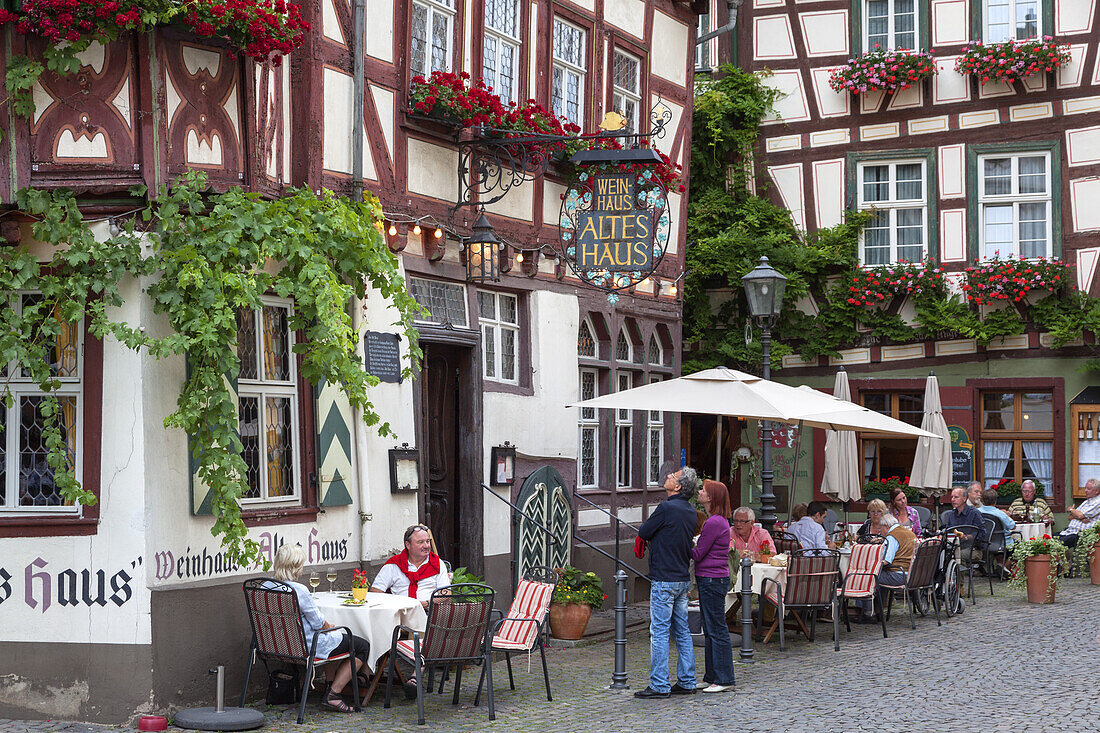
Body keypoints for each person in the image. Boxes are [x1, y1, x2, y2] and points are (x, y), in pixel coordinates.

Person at [269, 544, 368, 713]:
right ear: (295, 566)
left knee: (336, 638)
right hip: (307, 646)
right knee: (361, 646)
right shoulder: (298, 590)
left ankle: (330, 684)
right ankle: (334, 694)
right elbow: (318, 623)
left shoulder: (267, 587)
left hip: (278, 646)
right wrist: (329, 626)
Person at [635, 467, 700, 699]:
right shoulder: (691, 511)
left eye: (673, 476)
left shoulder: (666, 508)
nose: (668, 477)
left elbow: (644, 530)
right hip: (682, 578)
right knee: (682, 631)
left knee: (660, 632)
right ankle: (687, 680)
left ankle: (660, 684)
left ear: (679, 486)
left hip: (664, 577)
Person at [691, 479, 735, 694]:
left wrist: (684, 543)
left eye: (703, 490)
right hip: (712, 578)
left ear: (711, 498)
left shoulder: (714, 522)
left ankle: (724, 678)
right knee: (710, 629)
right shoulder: (716, 521)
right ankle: (712, 676)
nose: (699, 491)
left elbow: (699, 554)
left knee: (716, 629)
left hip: (711, 579)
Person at [371, 524, 451, 608]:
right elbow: (375, 591)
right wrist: (394, 605)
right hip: (400, 615)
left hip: (429, 614)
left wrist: (426, 603)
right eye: (420, 542)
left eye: (427, 541)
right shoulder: (393, 564)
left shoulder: (437, 563)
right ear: (408, 545)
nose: (426, 546)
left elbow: (446, 593)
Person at [855, 513, 916, 623]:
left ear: (886, 526)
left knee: (868, 577)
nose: (879, 533)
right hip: (912, 575)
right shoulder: (909, 533)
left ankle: (867, 612)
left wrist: (872, 563)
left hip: (899, 575)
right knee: (880, 575)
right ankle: (879, 611)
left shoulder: (892, 536)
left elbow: (887, 560)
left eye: (880, 529)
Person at [941, 486, 986, 563]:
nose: (952, 500)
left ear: (964, 499)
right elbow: (948, 531)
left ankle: (960, 574)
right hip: (955, 547)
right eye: (952, 497)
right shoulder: (951, 514)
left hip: (973, 549)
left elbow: (982, 534)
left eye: (956, 497)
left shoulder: (974, 513)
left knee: (956, 556)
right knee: (939, 555)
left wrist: (965, 537)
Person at [1058, 478, 1100, 548]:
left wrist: (1071, 509)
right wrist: (1079, 517)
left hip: (1080, 534)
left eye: (1088, 489)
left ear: (1097, 491)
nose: (1085, 490)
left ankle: (1065, 559)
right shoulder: (1086, 502)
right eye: (1085, 488)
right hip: (1069, 531)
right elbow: (1070, 517)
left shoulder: (1098, 502)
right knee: (1051, 538)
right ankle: (1066, 559)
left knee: (1058, 543)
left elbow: (1080, 515)